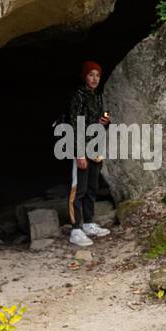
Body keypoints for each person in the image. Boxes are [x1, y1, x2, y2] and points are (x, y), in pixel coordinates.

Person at [67, 60, 112, 248]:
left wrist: (105, 123)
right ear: (84, 76)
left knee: (92, 188)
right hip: (82, 150)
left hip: (95, 149)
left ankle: (88, 223)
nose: (94, 78)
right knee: (79, 189)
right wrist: (79, 154)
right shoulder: (78, 96)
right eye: (91, 74)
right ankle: (75, 229)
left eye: (97, 75)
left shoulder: (98, 96)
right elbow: (75, 125)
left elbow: (100, 123)